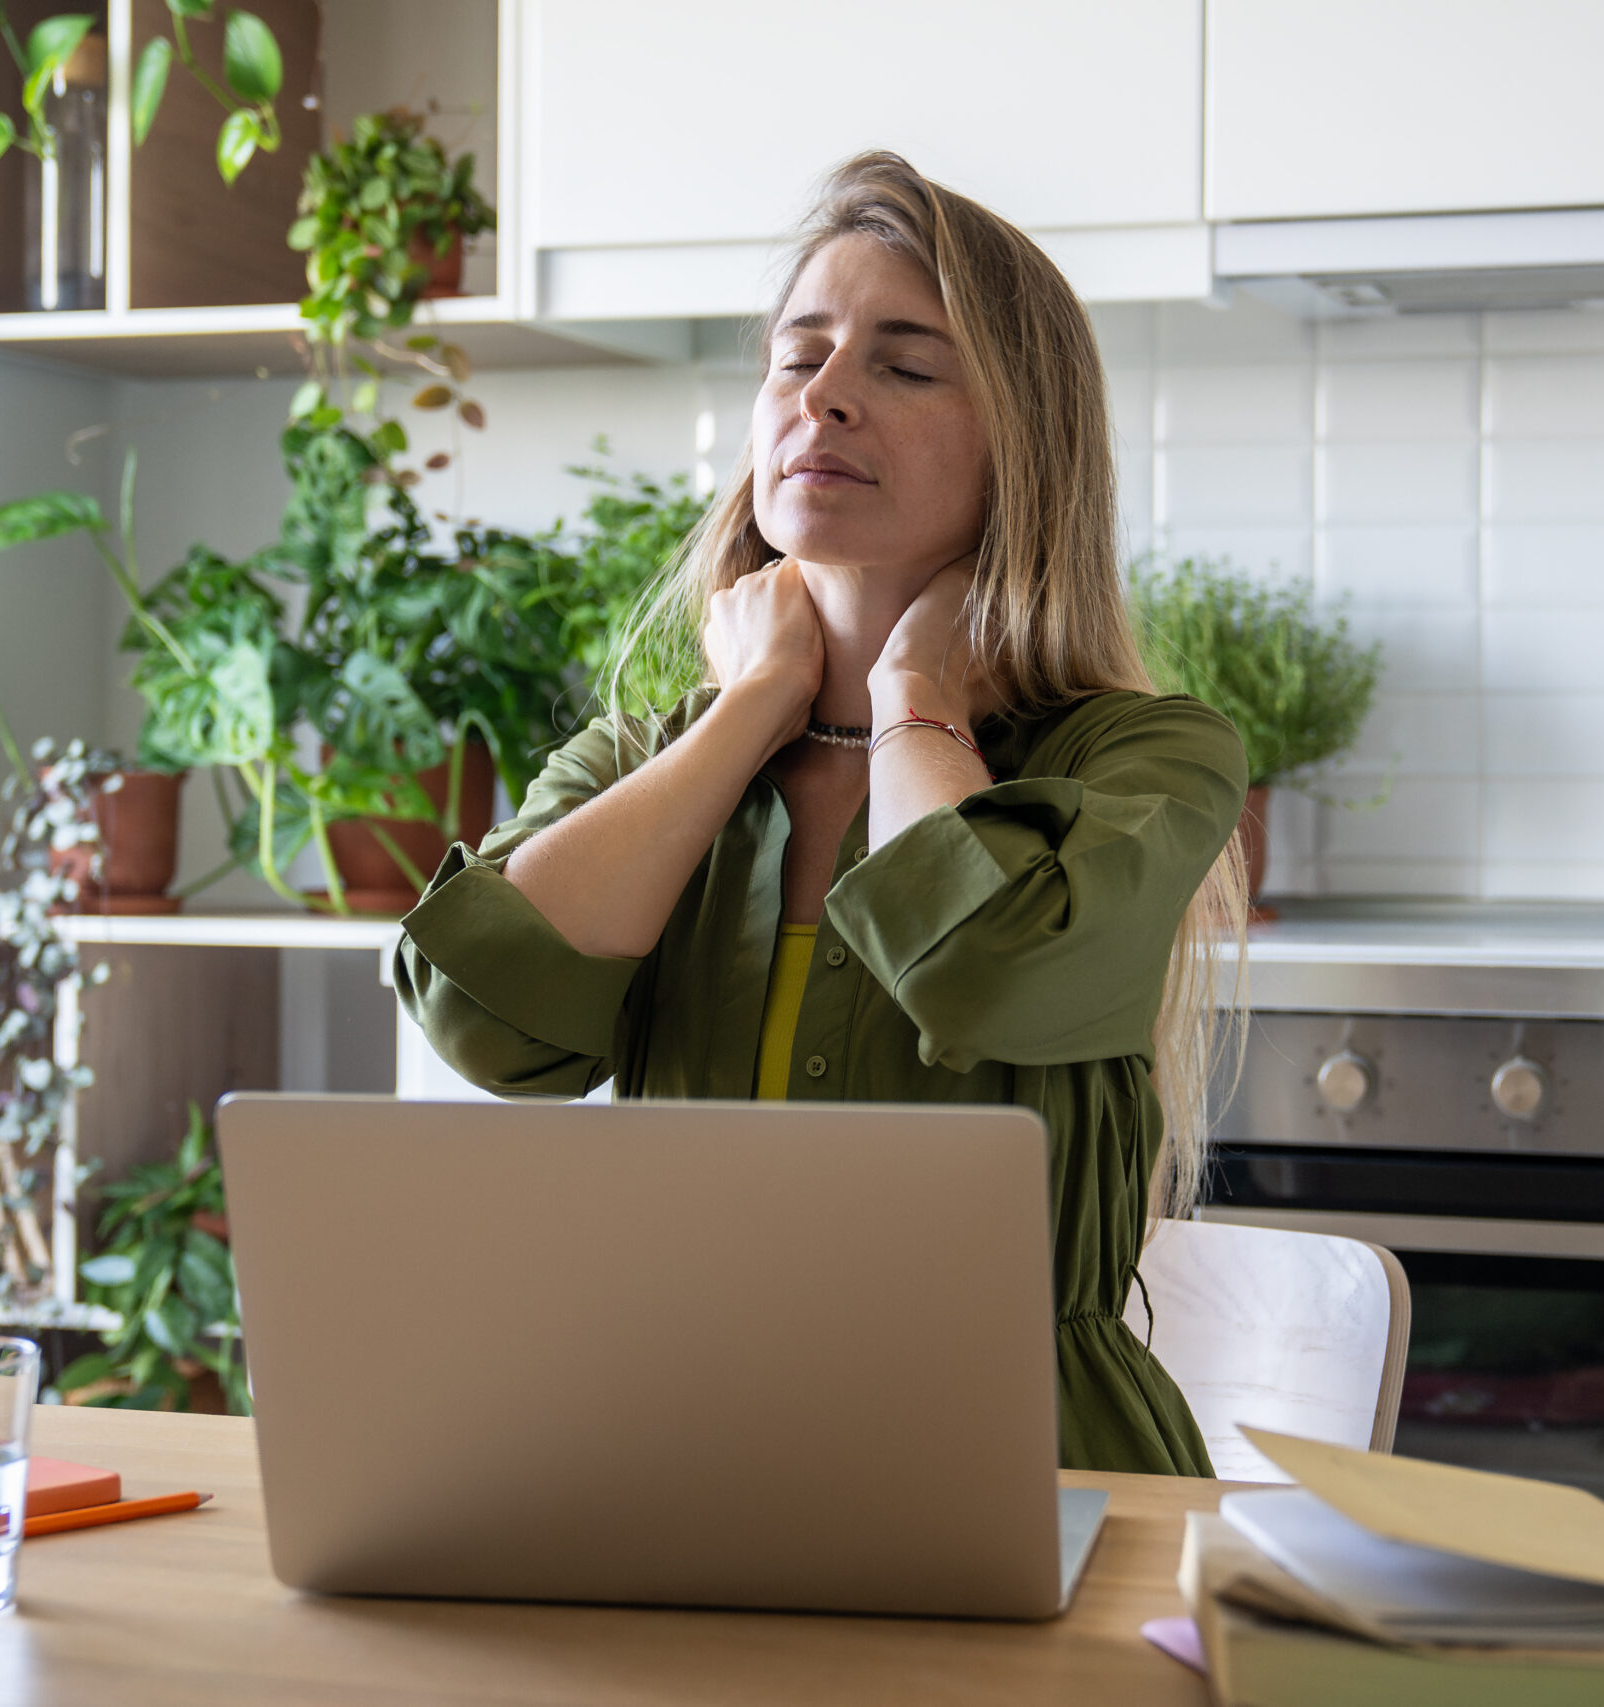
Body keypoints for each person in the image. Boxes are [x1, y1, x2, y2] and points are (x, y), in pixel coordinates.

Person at [393, 152, 1249, 1476]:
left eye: (904, 367)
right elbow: (486, 1020)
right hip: (686, 1451)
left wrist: (913, 693)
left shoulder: (1145, 760)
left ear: (1026, 440)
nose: (827, 395)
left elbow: (984, 961)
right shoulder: (642, 760)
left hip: (1028, 1464)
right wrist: (749, 712)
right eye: (798, 360)